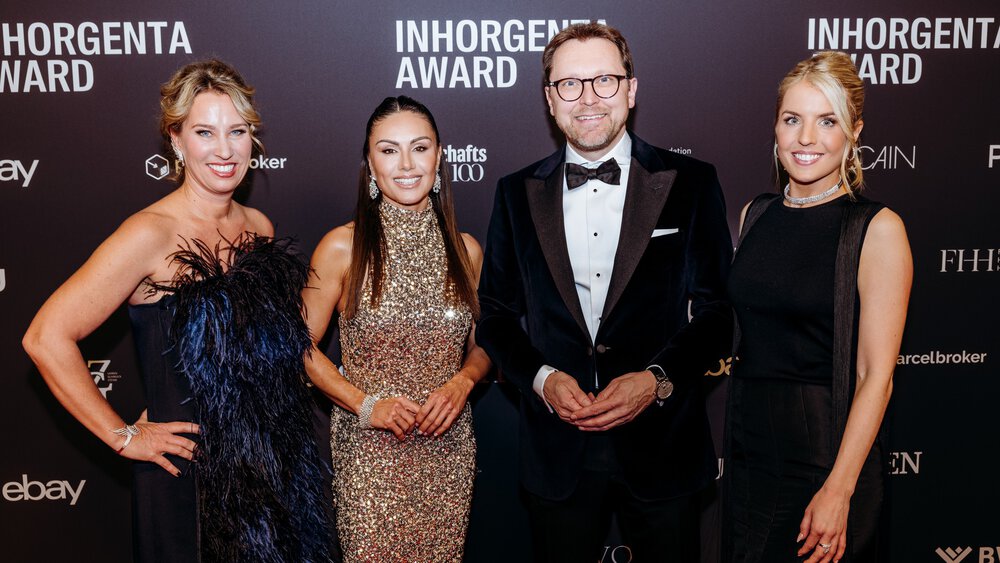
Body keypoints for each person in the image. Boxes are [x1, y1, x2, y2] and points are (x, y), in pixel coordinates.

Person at [22, 59, 331, 563]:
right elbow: (45, 336)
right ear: (176, 140)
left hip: (268, 473)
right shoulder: (149, 234)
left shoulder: (259, 227)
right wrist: (123, 436)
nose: (225, 150)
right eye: (205, 132)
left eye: (237, 131)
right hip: (186, 478)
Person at [476, 23, 734, 561]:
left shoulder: (690, 182)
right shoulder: (514, 192)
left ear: (631, 89)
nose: (588, 98)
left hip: (663, 444)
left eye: (604, 81)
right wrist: (543, 381)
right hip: (558, 449)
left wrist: (656, 380)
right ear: (550, 100)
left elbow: (716, 313)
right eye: (569, 84)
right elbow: (496, 316)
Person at [725, 51, 912, 563]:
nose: (806, 138)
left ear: (854, 131)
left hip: (828, 455)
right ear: (776, 127)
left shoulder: (877, 229)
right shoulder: (754, 215)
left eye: (826, 120)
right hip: (749, 452)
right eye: (793, 119)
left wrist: (839, 489)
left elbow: (877, 375)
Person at [302, 95, 491, 562]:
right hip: (368, 452)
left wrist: (463, 381)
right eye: (388, 150)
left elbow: (485, 346)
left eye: (419, 148)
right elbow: (297, 349)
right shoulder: (342, 247)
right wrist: (368, 407)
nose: (406, 164)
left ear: (439, 155)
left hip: (448, 448)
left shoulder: (466, 251)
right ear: (370, 162)